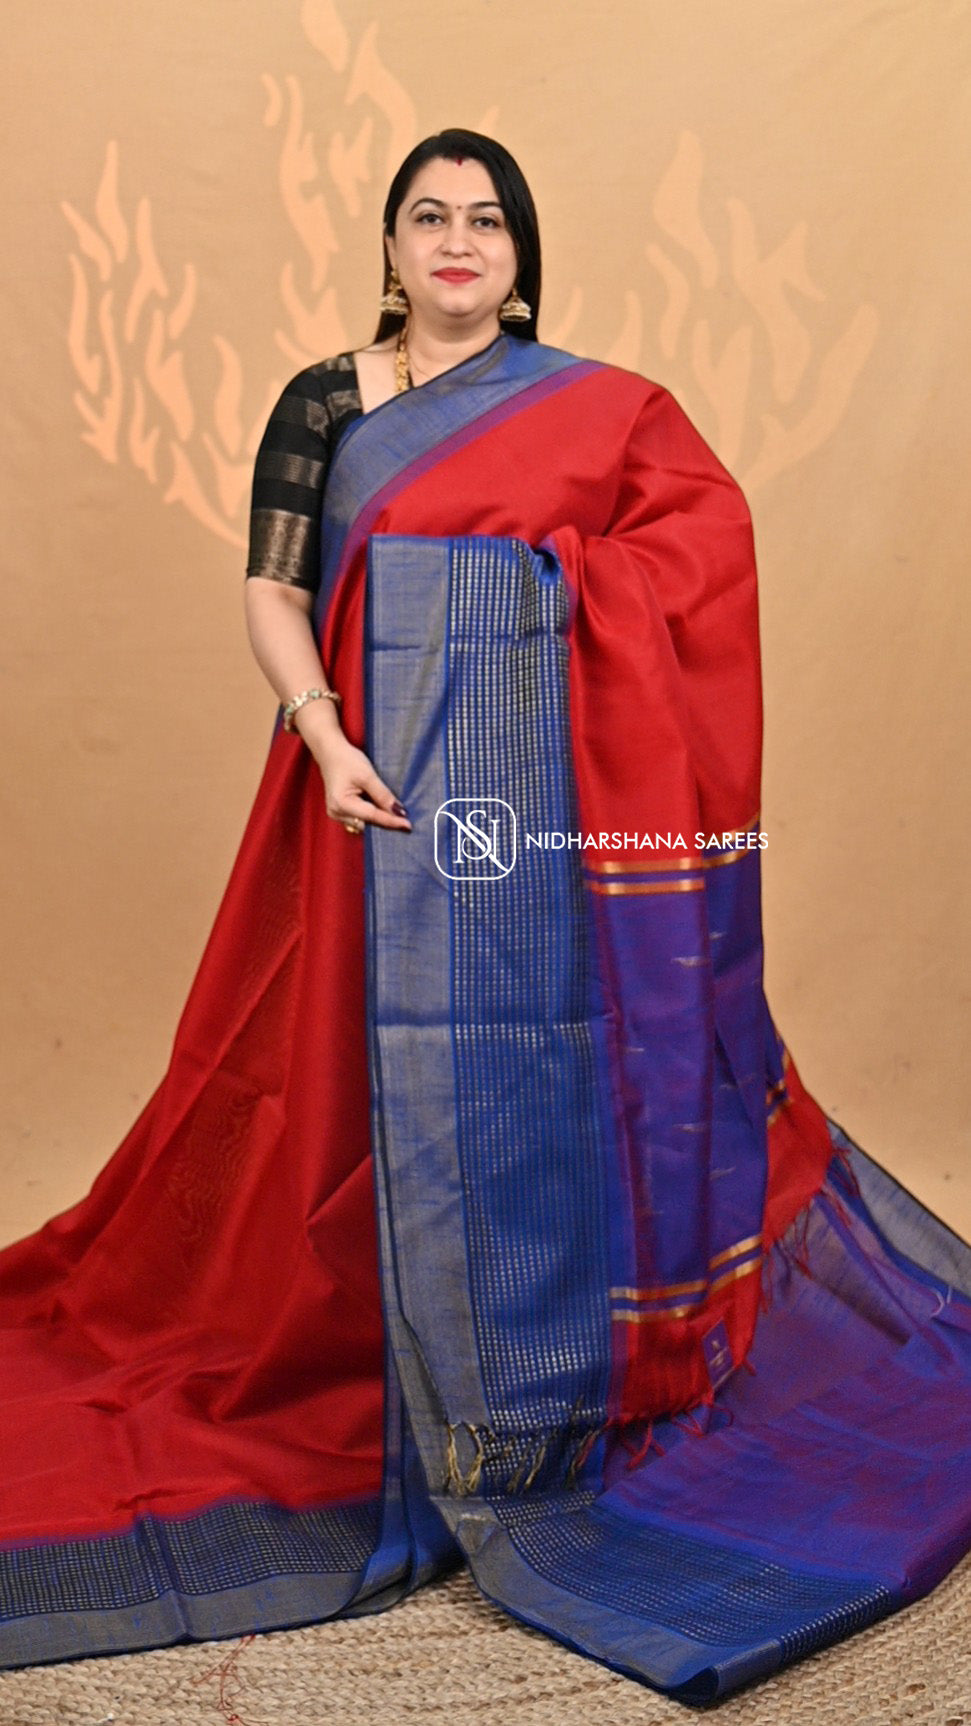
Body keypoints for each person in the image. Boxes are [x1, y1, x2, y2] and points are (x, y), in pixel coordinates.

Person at [0, 129, 968, 1703]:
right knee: (334, 1092)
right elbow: (274, 584)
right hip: (361, 794)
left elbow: (699, 552)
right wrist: (324, 731)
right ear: (390, 249)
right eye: (428, 217)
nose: (458, 241)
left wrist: (544, 591)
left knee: (538, 1070)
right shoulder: (327, 402)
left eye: (487, 221)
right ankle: (387, 1365)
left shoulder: (603, 413)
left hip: (546, 825)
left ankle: (534, 1358)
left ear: (519, 257)